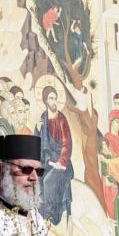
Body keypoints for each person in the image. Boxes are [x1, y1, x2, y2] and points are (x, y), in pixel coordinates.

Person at [37, 85, 74, 226]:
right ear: (45, 100)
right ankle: (41, 216)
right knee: (37, 179)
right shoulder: (43, 117)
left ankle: (51, 215)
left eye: (55, 98)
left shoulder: (61, 119)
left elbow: (67, 144)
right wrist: (37, 129)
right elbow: (40, 142)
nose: (54, 102)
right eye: (51, 98)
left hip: (62, 163)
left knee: (48, 181)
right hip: (47, 161)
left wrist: (61, 161)